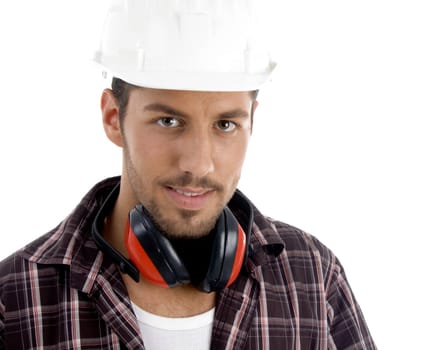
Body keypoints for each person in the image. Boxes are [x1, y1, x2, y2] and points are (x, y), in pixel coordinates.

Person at [0, 1, 376, 349]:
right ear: (114, 118)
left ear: (252, 123)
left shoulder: (312, 275)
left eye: (225, 124)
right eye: (168, 121)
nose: (199, 164)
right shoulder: (13, 299)